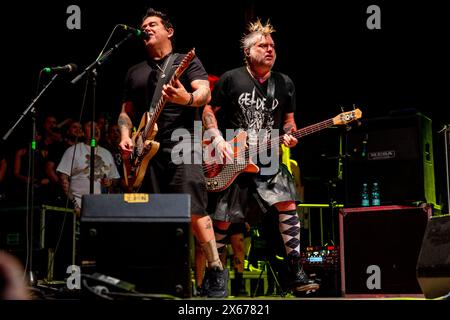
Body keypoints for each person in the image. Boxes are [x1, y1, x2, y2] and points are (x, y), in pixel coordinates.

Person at [202, 19, 319, 295]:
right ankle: (214, 273)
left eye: (272, 46)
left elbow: (289, 122)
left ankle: (294, 269)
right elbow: (209, 110)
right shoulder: (231, 78)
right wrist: (216, 138)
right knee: (222, 219)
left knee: (288, 204)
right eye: (263, 45)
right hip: (234, 159)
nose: (270, 49)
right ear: (248, 51)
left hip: (268, 158)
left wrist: (291, 135)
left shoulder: (284, 83)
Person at [118, 8, 228, 298]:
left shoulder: (185, 62)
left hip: (184, 143)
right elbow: (126, 113)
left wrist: (186, 98)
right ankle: (163, 274)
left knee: (193, 208)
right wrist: (126, 136)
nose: (146, 29)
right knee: (153, 213)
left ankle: (216, 270)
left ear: (169, 31)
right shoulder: (135, 72)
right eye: (143, 26)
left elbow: (203, 92)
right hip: (146, 152)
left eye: (152, 24)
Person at [57, 121, 120, 215]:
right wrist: (74, 205)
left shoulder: (107, 153)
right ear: (82, 132)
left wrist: (110, 182)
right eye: (91, 126)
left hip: (102, 207)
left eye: (97, 126)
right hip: (78, 206)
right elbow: (63, 179)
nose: (96, 128)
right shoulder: (73, 150)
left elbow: (115, 179)